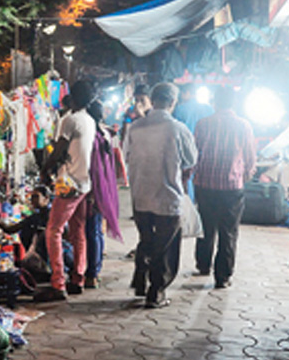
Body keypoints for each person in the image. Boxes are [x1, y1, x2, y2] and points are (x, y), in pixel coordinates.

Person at [123, 83, 198, 308]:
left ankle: (140, 279)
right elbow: (191, 159)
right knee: (164, 246)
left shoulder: (135, 127)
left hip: (140, 194)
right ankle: (156, 291)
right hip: (167, 196)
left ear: (152, 100)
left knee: (147, 239)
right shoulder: (177, 129)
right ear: (172, 102)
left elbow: (126, 155)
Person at [34, 80, 96, 302]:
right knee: (78, 230)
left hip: (69, 185)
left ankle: (58, 283)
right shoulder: (89, 120)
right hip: (84, 183)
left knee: (54, 230)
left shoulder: (69, 120)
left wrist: (45, 169)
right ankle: (77, 278)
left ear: (73, 96)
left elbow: (59, 150)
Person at [192, 87, 256, 289]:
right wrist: (245, 175)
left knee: (206, 227)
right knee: (228, 231)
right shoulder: (243, 125)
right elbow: (250, 156)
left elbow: (195, 152)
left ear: (214, 102)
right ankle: (223, 276)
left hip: (204, 183)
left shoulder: (203, 124)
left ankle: (203, 265)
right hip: (231, 186)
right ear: (234, 103)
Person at [85, 99, 122, 289]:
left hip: (95, 187)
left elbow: (94, 167)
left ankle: (91, 273)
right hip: (104, 186)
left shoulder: (93, 136)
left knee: (91, 231)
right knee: (96, 230)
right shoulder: (104, 133)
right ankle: (95, 270)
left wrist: (91, 193)